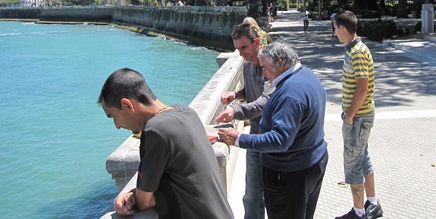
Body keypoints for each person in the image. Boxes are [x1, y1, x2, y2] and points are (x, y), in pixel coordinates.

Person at [98, 68, 234, 219]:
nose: (117, 126)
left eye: (113, 117)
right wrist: (134, 193)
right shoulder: (187, 113)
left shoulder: (155, 130)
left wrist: (127, 196)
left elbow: (144, 202)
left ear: (127, 105)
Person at [218, 41, 328, 219]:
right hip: (311, 162)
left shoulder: (290, 93)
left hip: (291, 173)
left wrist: (238, 139)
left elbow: (280, 140)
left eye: (265, 68)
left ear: (282, 63)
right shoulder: (307, 76)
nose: (263, 74)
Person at [215, 22, 274, 219]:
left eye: (244, 48)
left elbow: (265, 102)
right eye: (237, 48)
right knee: (251, 194)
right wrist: (235, 94)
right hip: (255, 134)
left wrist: (235, 111)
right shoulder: (248, 64)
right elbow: (250, 92)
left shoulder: (271, 66)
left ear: (257, 42)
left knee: (275, 193)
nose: (241, 53)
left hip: (275, 137)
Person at [333, 11, 384, 219]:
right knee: (362, 159)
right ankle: (372, 204)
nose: (335, 33)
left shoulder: (357, 52)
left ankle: (359, 212)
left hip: (359, 117)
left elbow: (362, 88)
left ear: (343, 28)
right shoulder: (354, 50)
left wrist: (349, 116)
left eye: (335, 29)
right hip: (360, 116)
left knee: (353, 164)